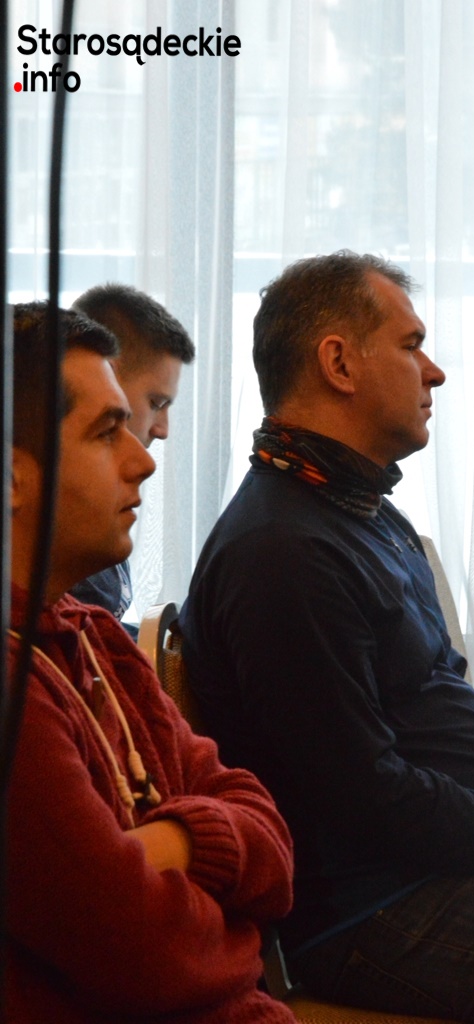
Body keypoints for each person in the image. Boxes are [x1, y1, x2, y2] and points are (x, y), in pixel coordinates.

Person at [179, 251, 474, 1024]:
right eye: (411, 345)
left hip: (456, 866)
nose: (434, 372)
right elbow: (368, 799)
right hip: (378, 906)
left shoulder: (361, 513)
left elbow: (445, 710)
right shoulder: (281, 552)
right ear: (339, 362)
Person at [6, 302, 296, 1024]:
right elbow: (148, 958)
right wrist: (235, 937)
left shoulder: (97, 637)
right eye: (107, 432)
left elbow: (272, 840)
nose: (143, 458)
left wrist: (173, 841)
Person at [70, 283, 195, 625]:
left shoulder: (108, 502)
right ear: (106, 375)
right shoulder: (71, 522)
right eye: (156, 403)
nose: (163, 429)